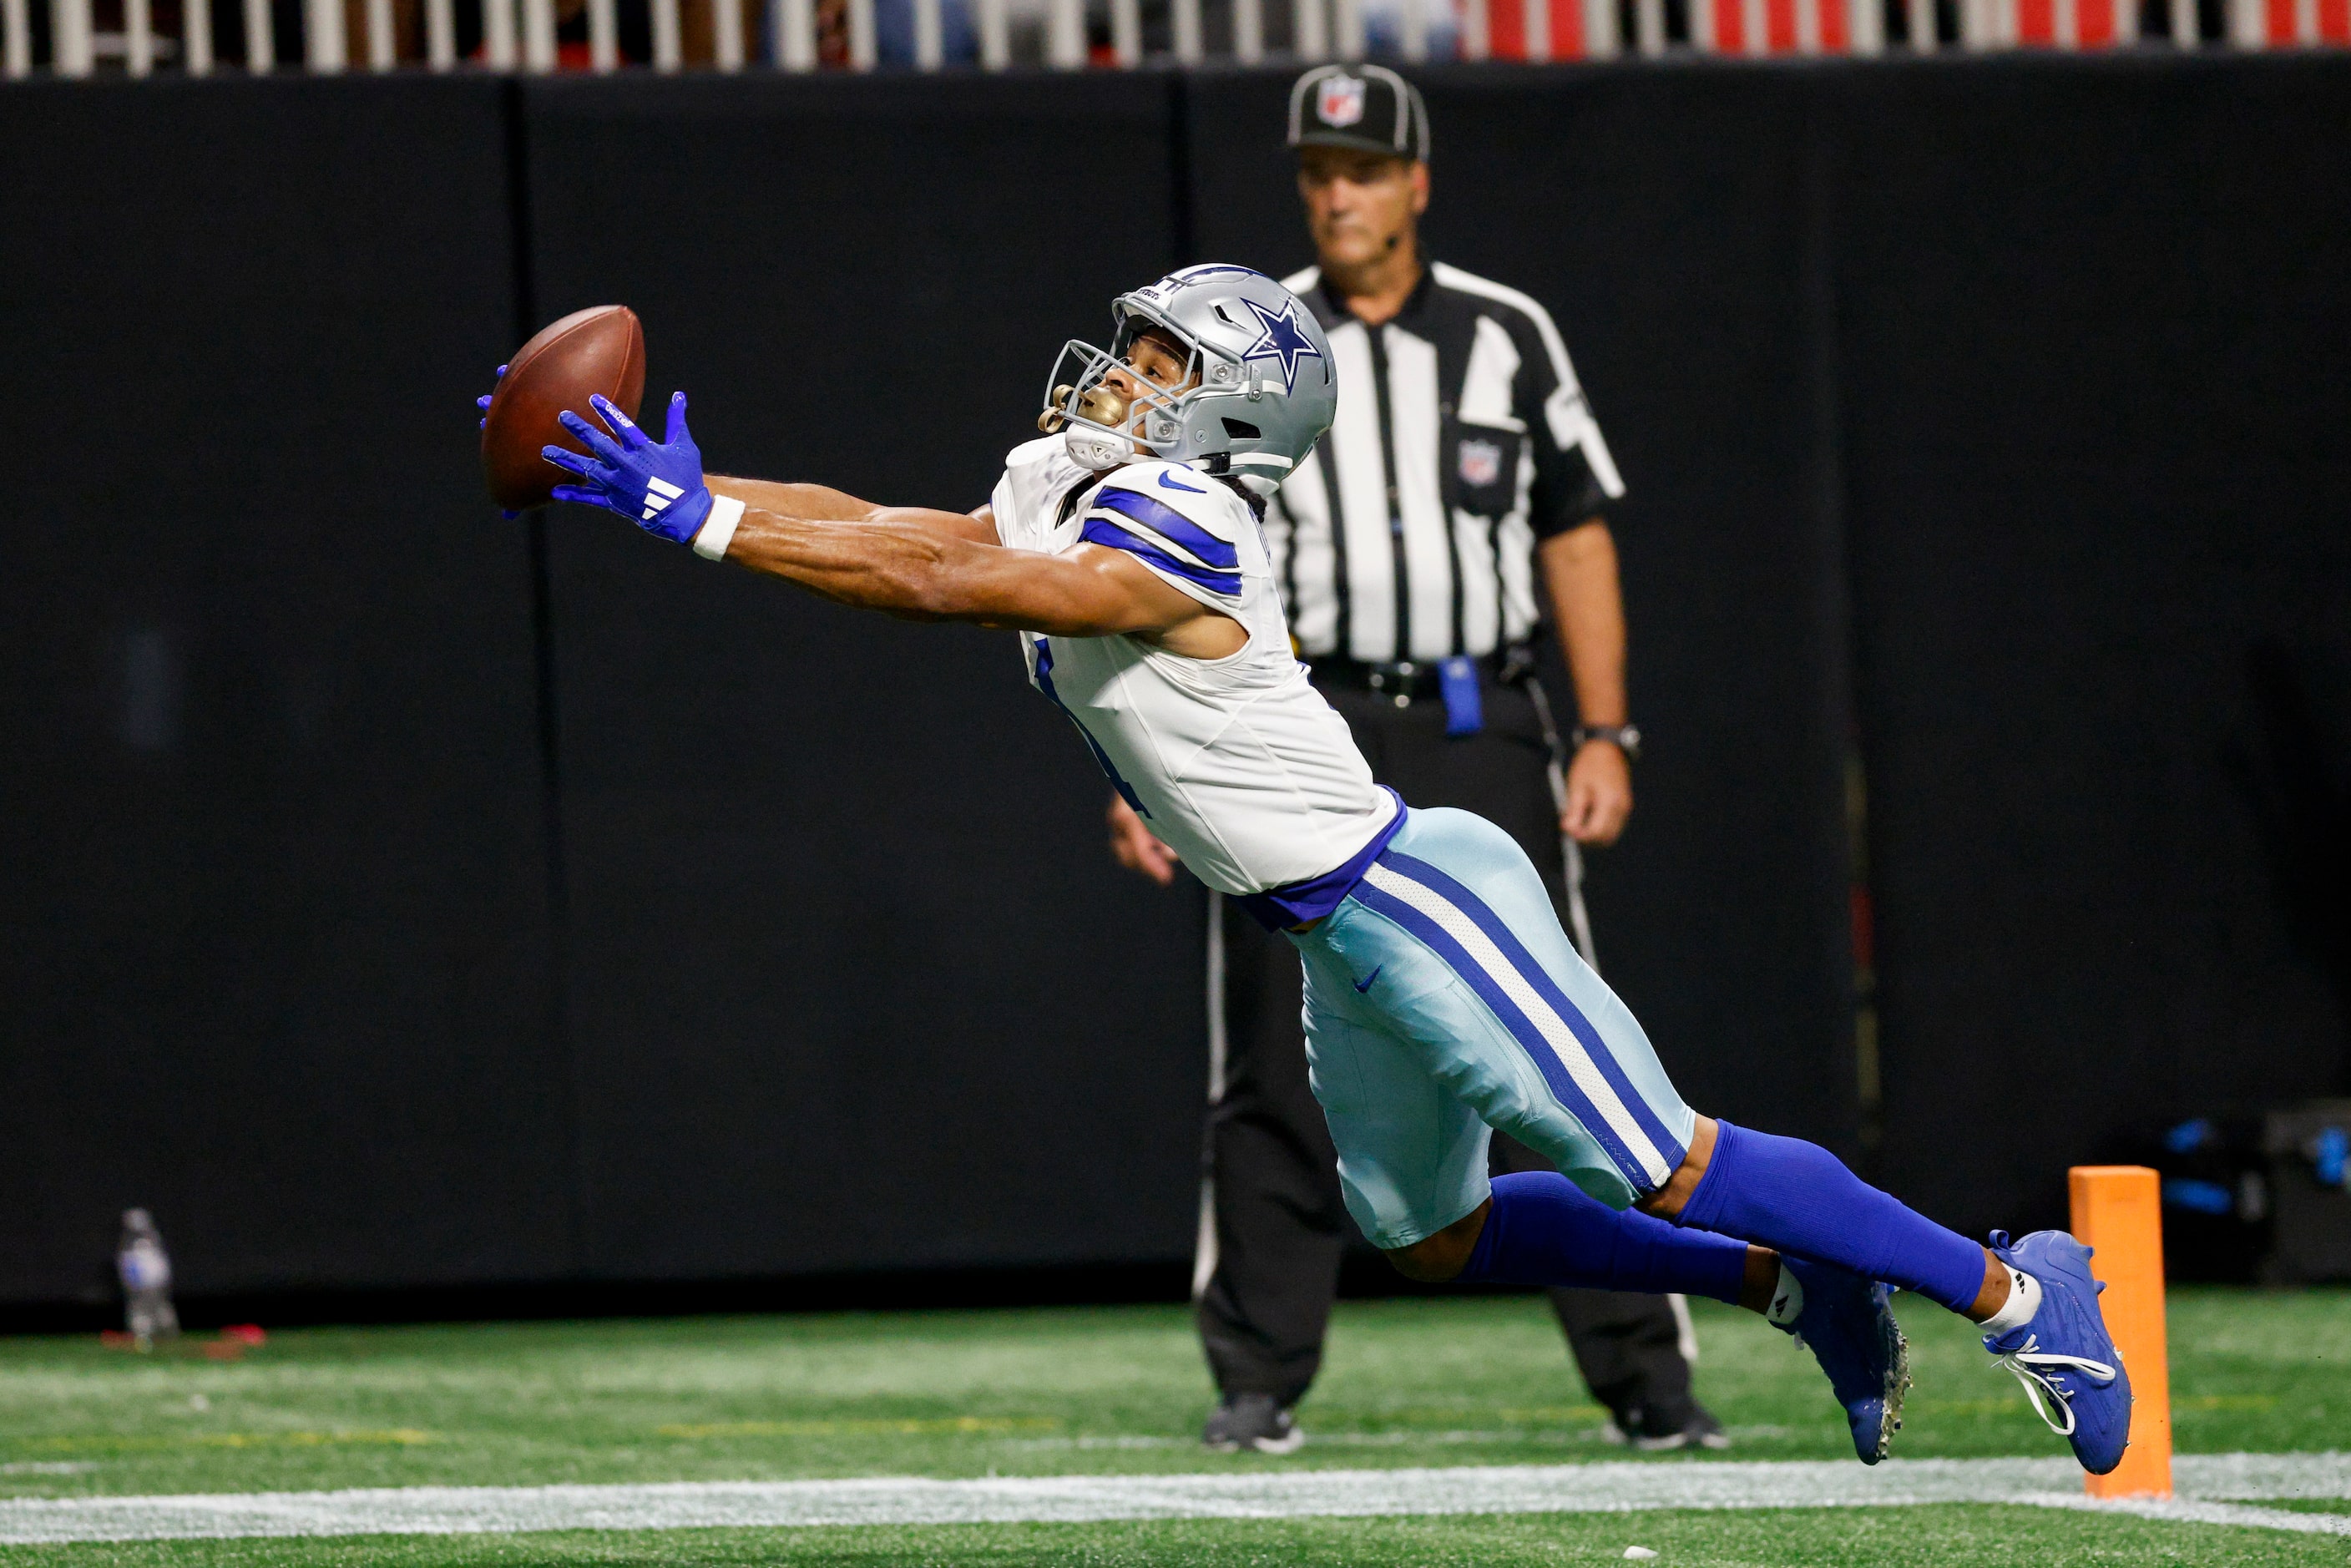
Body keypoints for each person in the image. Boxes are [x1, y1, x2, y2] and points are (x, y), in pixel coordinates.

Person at [518, 263, 2135, 1478]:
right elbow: (898, 526)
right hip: (1330, 935)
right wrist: (690, 488)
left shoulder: (1187, 519)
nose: (1123, 372)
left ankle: (2011, 1289)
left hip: (1419, 897)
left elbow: (942, 583)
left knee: (1669, 1155)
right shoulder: (1066, 482)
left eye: (1161, 363)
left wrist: (704, 528)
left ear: (1224, 409)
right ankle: (1796, 1281)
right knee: (1424, 1237)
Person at [1107, 64, 1706, 1455]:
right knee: (1267, 1052)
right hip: (1289, 724)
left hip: (1475, 715)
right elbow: (1143, 550)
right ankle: (1257, 1372)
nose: (1338, 193)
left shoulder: (1509, 334)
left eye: (1365, 169)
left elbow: (1574, 531)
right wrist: (1143, 768)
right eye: (1318, 169)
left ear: (1417, 183)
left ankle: (1646, 1376)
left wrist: (1604, 726)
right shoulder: (1249, 337)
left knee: (1555, 1035)